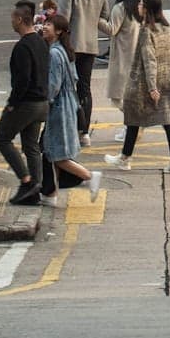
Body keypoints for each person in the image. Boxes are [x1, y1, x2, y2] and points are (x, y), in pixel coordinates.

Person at [104, 0, 170, 170]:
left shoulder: (146, 31)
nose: (138, 7)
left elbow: (149, 60)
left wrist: (152, 87)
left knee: (133, 115)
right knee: (166, 120)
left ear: (146, 9)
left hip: (147, 83)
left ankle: (125, 158)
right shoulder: (167, 28)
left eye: (141, 4)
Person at [40, 11, 103, 204]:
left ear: (59, 31)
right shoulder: (64, 51)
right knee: (51, 150)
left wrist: (43, 102)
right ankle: (50, 195)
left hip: (58, 107)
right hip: (67, 105)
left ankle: (89, 176)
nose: (44, 27)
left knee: (55, 153)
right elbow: (73, 78)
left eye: (49, 25)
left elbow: (53, 85)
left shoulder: (54, 53)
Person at [0, 1, 50, 205]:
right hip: (42, 102)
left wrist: (12, 103)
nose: (11, 22)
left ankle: (26, 180)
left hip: (26, 103)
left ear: (19, 20)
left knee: (2, 139)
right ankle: (36, 188)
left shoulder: (22, 47)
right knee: (31, 145)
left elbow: (22, 79)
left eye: (12, 19)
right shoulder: (41, 42)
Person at [54, 0, 108, 141]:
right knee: (85, 88)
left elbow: (63, 20)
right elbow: (104, 16)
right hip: (90, 44)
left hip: (70, 45)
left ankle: (69, 128)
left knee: (66, 87)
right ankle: (84, 131)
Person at [97, 0, 144, 141]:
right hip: (137, 55)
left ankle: (133, 126)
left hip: (123, 56)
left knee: (119, 96)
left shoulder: (121, 8)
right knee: (130, 96)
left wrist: (96, 18)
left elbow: (111, 29)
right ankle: (133, 126)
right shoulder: (141, 6)